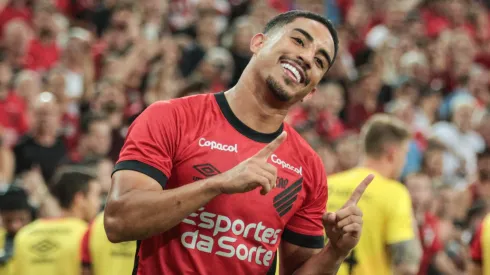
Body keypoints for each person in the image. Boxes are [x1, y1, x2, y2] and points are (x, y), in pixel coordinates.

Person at [105, 10, 373, 275]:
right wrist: (217, 184)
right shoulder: (171, 117)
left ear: (312, 91)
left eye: (319, 61)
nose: (306, 57)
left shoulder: (308, 166)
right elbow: (119, 221)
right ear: (258, 43)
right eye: (299, 41)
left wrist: (335, 252)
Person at [327, 114, 422, 275]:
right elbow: (407, 264)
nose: (405, 162)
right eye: (404, 154)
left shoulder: (328, 183)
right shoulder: (395, 193)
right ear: (392, 153)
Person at [10, 168, 101, 275]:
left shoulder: (25, 233)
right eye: (96, 196)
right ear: (79, 198)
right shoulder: (89, 234)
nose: (99, 203)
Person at [405, 173, 462, 275]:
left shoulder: (430, 221)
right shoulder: (399, 217)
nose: (417, 194)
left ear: (429, 193)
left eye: (422, 189)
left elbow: (437, 255)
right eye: (412, 189)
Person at [0, 186, 33, 275]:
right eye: (8, 221)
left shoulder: (38, 238)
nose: (14, 226)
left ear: (29, 217)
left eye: (21, 219)